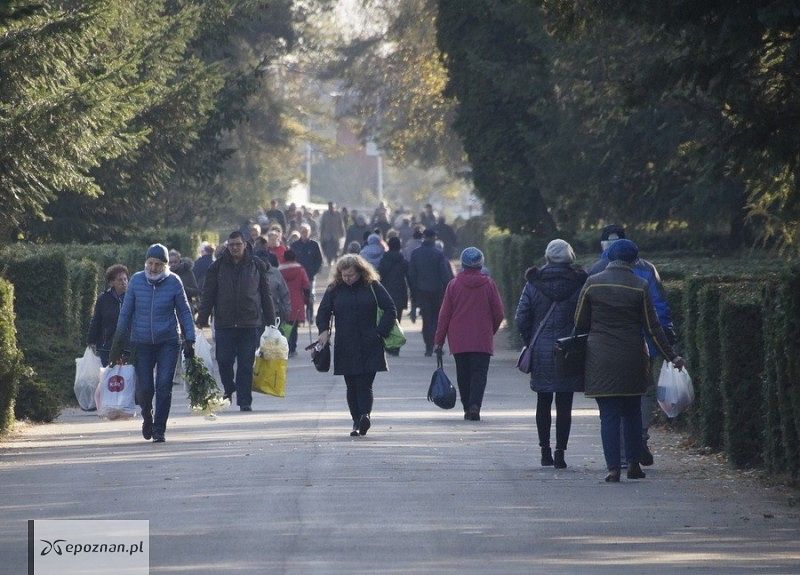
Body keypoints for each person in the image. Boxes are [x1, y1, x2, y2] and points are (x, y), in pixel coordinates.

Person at [575, 239, 685, 482]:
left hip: (600, 358)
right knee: (633, 412)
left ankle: (613, 468)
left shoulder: (593, 283)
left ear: (608, 256)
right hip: (633, 356)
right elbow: (653, 327)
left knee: (609, 415)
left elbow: (580, 321)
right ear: (634, 260)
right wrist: (672, 356)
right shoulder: (640, 284)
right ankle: (634, 464)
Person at [110, 244, 195, 443]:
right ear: (145, 263)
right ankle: (147, 415)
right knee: (145, 388)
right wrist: (118, 343)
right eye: (150, 263)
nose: (153, 268)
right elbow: (126, 313)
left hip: (168, 341)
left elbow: (184, 310)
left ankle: (159, 429)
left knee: (164, 386)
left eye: (158, 264)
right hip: (141, 342)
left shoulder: (174, 282)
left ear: (165, 265)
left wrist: (189, 338)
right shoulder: (137, 281)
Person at [514, 240, 587, 468]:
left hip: (542, 349)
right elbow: (586, 316)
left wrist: (531, 341)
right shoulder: (580, 283)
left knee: (543, 400)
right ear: (570, 257)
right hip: (569, 349)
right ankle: (560, 452)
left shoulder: (533, 283)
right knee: (565, 404)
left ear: (547, 257)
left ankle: (544, 449)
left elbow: (521, 317)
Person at [315, 255, 396, 437]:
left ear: (361, 272)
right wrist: (323, 330)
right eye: (344, 275)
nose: (347, 278)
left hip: (371, 342)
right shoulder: (335, 289)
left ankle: (364, 416)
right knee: (351, 385)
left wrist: (380, 332)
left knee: (365, 383)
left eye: (351, 275)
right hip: (345, 344)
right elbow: (323, 312)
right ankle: (356, 419)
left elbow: (390, 308)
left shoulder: (373, 287)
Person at [196, 231, 275, 411]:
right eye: (231, 245)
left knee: (246, 364)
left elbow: (265, 294)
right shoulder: (217, 267)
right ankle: (229, 387)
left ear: (245, 245)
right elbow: (208, 294)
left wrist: (271, 320)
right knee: (223, 361)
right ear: (227, 246)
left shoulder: (256, 265)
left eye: (238, 244)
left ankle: (244, 400)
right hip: (225, 323)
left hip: (250, 323)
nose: (234, 248)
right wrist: (202, 318)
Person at [433, 248, 504, 421]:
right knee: (479, 374)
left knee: (463, 374)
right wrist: (490, 330)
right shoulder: (489, 284)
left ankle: (466, 406)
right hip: (482, 338)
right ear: (481, 264)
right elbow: (499, 313)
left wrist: (439, 340)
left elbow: (445, 315)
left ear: (463, 264)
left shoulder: (454, 285)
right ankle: (475, 405)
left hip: (459, 340)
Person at [408, 228, 454, 356]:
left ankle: (428, 346)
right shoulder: (438, 254)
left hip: (421, 290)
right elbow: (445, 275)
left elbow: (411, 274)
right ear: (434, 238)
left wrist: (413, 291)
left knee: (426, 319)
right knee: (437, 319)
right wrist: (448, 290)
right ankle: (437, 344)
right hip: (437, 291)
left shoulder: (416, 254)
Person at [87, 264, 129, 367]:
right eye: (120, 280)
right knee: (108, 376)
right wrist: (91, 340)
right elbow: (96, 320)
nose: (124, 282)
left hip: (129, 345)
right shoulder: (103, 299)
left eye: (125, 279)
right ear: (111, 283)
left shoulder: (132, 298)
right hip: (107, 345)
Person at [279, 249, 311, 357]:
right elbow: (306, 285)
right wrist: (307, 299)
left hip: (284, 300)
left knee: (286, 325)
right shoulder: (300, 269)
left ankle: (286, 345)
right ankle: (293, 348)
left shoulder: (280, 270)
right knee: (294, 325)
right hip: (297, 299)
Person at [292, 223, 323, 323]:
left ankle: (310, 315)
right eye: (302, 231)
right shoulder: (295, 245)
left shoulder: (314, 245)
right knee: (299, 297)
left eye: (306, 231)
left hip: (310, 276)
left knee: (310, 296)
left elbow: (319, 260)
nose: (304, 233)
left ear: (309, 232)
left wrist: (314, 271)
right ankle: (300, 317)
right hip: (297, 276)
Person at [377, 237, 410, 323]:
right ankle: (397, 333)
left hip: (386, 291)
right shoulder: (403, 261)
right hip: (400, 292)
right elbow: (410, 277)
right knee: (397, 318)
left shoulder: (384, 260)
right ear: (399, 247)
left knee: (387, 317)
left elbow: (378, 276)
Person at [319, 201, 346, 266]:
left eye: (332, 206)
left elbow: (341, 224)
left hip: (336, 236)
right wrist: (321, 235)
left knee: (336, 250)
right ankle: (329, 262)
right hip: (327, 236)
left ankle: (336, 261)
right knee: (327, 251)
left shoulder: (338, 214)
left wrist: (343, 234)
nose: (331, 208)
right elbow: (322, 225)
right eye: (330, 206)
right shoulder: (325, 214)